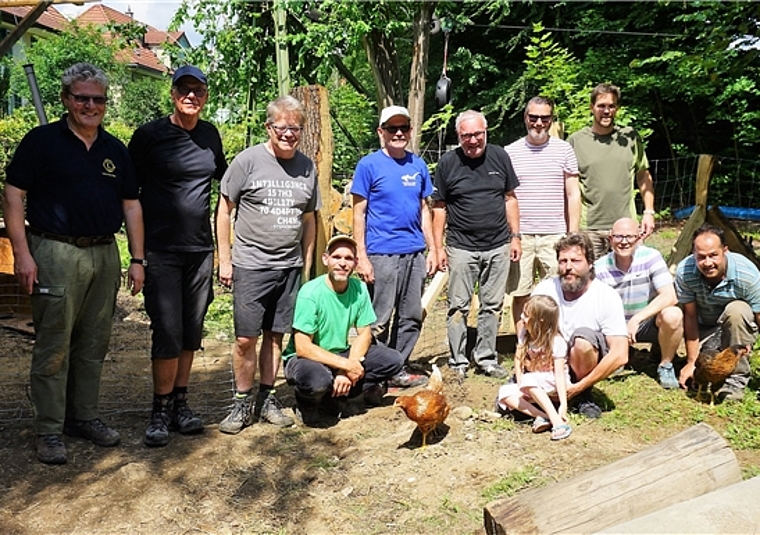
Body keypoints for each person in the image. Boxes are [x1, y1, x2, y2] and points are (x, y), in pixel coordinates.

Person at [2, 62, 145, 464]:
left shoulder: (115, 149)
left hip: (103, 253)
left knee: (94, 342)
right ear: (66, 99)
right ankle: (48, 428)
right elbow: (13, 195)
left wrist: (137, 259)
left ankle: (83, 416)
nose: (89, 105)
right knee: (54, 342)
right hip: (54, 250)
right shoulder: (42, 142)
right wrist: (22, 254)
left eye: (97, 99)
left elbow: (131, 206)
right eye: (81, 97)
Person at [128, 65, 228, 447]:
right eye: (184, 90)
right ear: (173, 94)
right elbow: (128, 195)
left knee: (191, 329)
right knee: (166, 330)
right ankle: (160, 408)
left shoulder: (209, 136)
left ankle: (180, 404)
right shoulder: (149, 136)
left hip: (200, 250)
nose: (192, 97)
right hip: (161, 249)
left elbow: (226, 183)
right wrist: (137, 256)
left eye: (198, 91)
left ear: (205, 96)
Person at [216, 95, 320, 434]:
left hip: (288, 267)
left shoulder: (307, 167)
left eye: (296, 129)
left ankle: (268, 398)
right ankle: (241, 403)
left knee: (275, 337)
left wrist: (305, 265)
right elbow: (224, 210)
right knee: (246, 339)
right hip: (251, 265)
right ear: (269, 127)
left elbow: (309, 220)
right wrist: (225, 259)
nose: (289, 135)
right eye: (283, 128)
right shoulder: (247, 161)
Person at [432, 110, 521, 380]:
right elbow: (439, 207)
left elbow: (510, 198)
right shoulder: (448, 162)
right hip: (461, 247)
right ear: (458, 136)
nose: (472, 140)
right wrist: (438, 248)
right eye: (466, 135)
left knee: (491, 305)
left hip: (498, 245)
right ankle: (458, 360)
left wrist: (515, 236)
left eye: (477, 134)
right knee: (458, 306)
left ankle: (486, 357)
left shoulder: (500, 156)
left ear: (486, 132)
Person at [351, 105, 435, 389]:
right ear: (381, 132)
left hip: (414, 251)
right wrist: (361, 256)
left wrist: (433, 249)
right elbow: (358, 213)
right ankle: (373, 371)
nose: (398, 133)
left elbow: (425, 210)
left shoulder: (418, 165)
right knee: (379, 317)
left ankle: (396, 368)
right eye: (391, 129)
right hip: (382, 252)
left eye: (404, 128)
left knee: (411, 314)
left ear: (410, 131)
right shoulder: (368, 165)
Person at [282, 235, 405, 426]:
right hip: (305, 358)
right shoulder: (310, 293)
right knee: (318, 381)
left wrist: (348, 367)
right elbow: (302, 347)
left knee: (393, 360)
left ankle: (336, 397)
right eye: (337, 257)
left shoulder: (359, 289)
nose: (342, 263)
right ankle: (306, 402)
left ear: (356, 263)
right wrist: (346, 366)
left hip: (339, 352)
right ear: (326, 260)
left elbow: (364, 332)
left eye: (348, 258)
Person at [532, 233, 628, 418]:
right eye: (563, 261)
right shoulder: (544, 290)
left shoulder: (606, 296)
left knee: (583, 340)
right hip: (548, 362)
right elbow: (526, 332)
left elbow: (621, 354)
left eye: (575, 261)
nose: (568, 267)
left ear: (590, 263)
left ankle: (584, 395)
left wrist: (577, 388)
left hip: (581, 363)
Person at [505, 96, 581, 327]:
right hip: (522, 236)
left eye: (544, 118)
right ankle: (523, 345)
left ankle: (555, 343)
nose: (538, 123)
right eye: (533, 117)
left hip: (555, 235)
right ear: (525, 118)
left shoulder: (564, 149)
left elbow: (573, 193)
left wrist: (572, 235)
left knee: (559, 293)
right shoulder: (510, 152)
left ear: (551, 119)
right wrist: (512, 234)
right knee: (521, 294)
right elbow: (506, 196)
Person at [567, 83, 656, 259]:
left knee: (632, 279)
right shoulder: (576, 141)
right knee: (590, 282)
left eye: (611, 106)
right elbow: (570, 189)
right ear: (591, 107)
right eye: (601, 106)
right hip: (590, 229)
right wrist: (573, 230)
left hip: (626, 227)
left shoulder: (629, 137)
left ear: (617, 108)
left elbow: (643, 175)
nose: (606, 111)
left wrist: (649, 212)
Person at [594, 218, 684, 389]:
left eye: (629, 237)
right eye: (619, 237)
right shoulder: (599, 267)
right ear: (610, 239)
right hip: (613, 327)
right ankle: (617, 355)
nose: (624, 242)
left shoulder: (651, 257)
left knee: (673, 314)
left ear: (638, 238)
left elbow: (670, 296)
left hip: (645, 323)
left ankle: (665, 364)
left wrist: (637, 319)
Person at [675, 225, 760, 400]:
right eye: (701, 257)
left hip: (736, 327)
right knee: (703, 364)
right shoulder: (685, 271)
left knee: (736, 309)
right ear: (693, 254)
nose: (707, 263)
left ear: (725, 251)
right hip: (703, 327)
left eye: (713, 255)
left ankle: (736, 380)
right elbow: (689, 316)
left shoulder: (747, 274)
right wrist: (691, 362)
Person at [496, 295, 572, 441]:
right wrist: (520, 384)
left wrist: (563, 403)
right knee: (504, 392)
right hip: (532, 383)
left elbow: (559, 374)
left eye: (526, 315)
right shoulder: (525, 335)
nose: (522, 317)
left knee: (529, 378)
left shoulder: (556, 341)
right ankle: (544, 416)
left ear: (539, 320)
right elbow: (518, 360)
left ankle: (558, 423)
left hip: (551, 381)